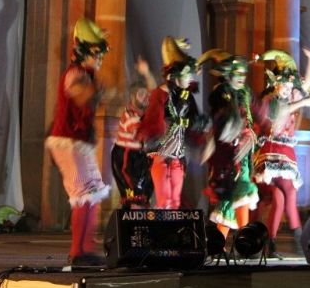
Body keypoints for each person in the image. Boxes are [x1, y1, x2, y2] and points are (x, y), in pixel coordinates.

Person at [45, 18, 111, 266]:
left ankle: (85, 248)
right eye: (97, 54)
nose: (100, 59)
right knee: (84, 193)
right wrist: (97, 92)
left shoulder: (85, 75)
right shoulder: (75, 74)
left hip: (77, 143)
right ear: (85, 52)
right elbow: (82, 96)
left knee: (92, 192)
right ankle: (78, 252)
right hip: (68, 143)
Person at [253, 49, 310, 258]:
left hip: (286, 153)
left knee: (285, 197)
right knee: (284, 194)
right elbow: (280, 114)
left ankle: (281, 244)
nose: (288, 89)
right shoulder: (270, 100)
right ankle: (292, 243)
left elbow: (307, 84)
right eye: (285, 85)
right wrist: (303, 103)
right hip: (271, 154)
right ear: (276, 84)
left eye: (290, 87)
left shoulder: (291, 96)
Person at [199, 50, 260, 238]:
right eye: (237, 73)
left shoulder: (245, 93)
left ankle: (222, 244)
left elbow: (258, 115)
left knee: (235, 199)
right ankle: (244, 242)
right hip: (227, 156)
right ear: (228, 74)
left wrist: (252, 135)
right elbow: (223, 124)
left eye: (244, 73)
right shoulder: (221, 93)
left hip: (243, 156)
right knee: (236, 195)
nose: (242, 77)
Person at [138, 37, 203, 210]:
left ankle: (172, 227)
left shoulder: (187, 97)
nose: (190, 78)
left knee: (175, 202)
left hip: (178, 156)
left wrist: (200, 135)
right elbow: (152, 122)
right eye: (187, 74)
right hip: (161, 155)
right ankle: (162, 227)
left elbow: (194, 122)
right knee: (164, 201)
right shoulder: (161, 94)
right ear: (175, 75)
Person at [110, 57, 156, 209]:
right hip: (126, 158)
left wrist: (147, 73)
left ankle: (139, 215)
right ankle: (132, 217)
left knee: (144, 191)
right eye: (141, 94)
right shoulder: (130, 116)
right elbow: (143, 135)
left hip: (139, 156)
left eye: (146, 94)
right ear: (132, 96)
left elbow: (154, 92)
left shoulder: (143, 111)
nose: (146, 97)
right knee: (133, 194)